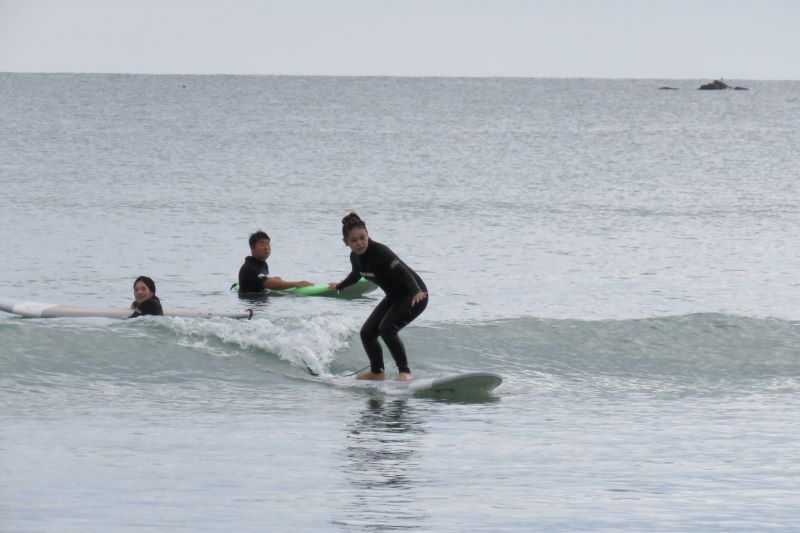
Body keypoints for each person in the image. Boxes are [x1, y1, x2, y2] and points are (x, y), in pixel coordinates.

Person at [329, 213, 428, 381]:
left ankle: (404, 372)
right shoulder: (355, 257)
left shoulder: (380, 252)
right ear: (346, 242)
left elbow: (402, 270)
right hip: (394, 296)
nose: (360, 243)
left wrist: (417, 290)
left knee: (387, 328)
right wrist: (340, 286)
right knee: (367, 333)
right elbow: (356, 274)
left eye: (363, 237)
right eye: (354, 240)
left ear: (368, 235)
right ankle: (377, 372)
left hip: (414, 295)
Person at [238, 230, 314, 293]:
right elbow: (270, 285)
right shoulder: (250, 267)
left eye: (268, 243)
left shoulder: (259, 263)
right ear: (252, 248)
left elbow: (259, 279)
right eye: (261, 244)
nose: (266, 247)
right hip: (252, 303)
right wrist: (296, 284)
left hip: (260, 300)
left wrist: (271, 279)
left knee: (277, 279)